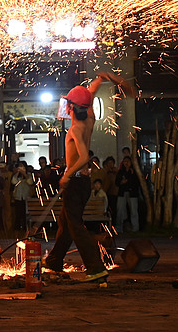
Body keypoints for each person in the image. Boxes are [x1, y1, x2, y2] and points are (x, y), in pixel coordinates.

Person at [45, 71, 135, 282]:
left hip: (76, 181)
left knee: (75, 226)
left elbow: (85, 156)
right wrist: (105, 77)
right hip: (82, 182)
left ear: (71, 108)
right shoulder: (91, 117)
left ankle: (95, 268)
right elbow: (90, 93)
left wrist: (68, 174)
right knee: (66, 224)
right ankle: (54, 261)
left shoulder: (76, 128)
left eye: (67, 103)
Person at [115, 156, 140, 232]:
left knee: (133, 210)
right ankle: (119, 228)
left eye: (128, 161)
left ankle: (135, 228)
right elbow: (116, 182)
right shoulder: (121, 171)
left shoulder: (134, 171)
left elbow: (136, 182)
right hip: (122, 192)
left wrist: (128, 180)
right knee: (120, 210)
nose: (126, 163)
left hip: (132, 193)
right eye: (125, 161)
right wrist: (121, 182)